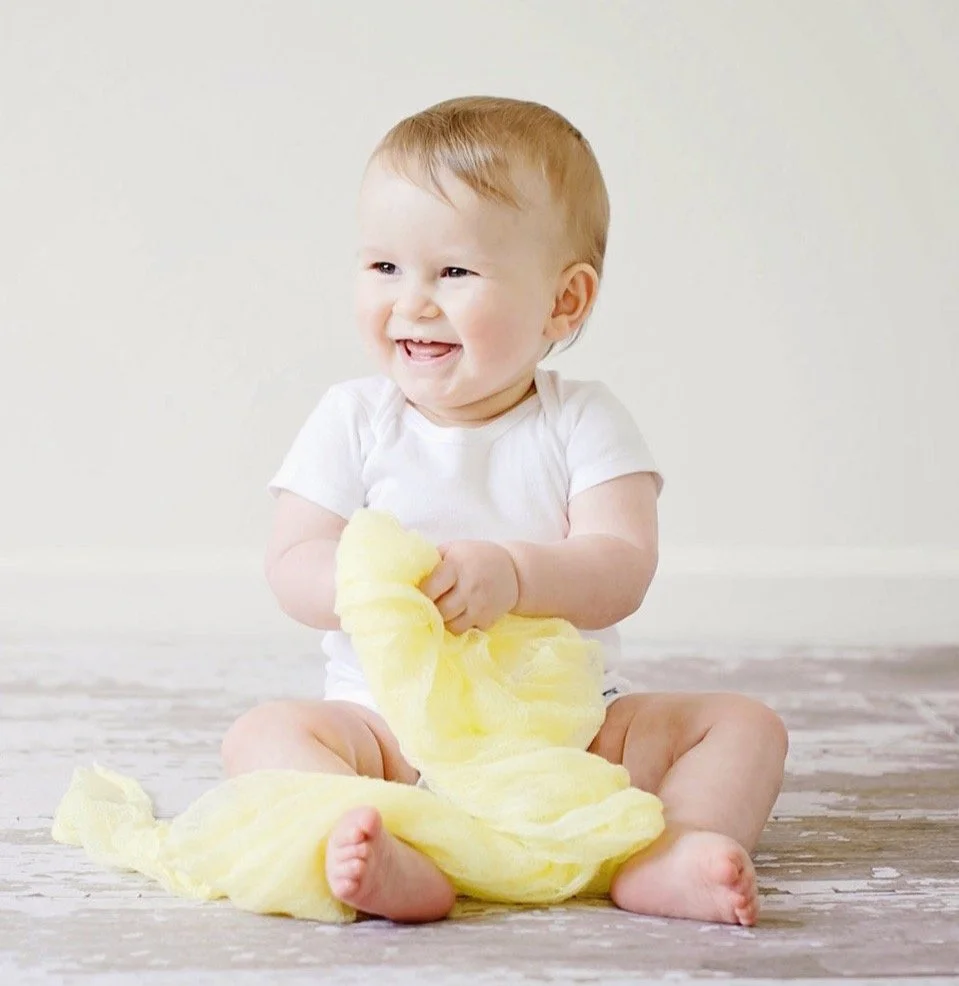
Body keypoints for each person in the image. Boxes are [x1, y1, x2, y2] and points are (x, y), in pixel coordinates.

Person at [222, 96, 789, 926]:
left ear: (564, 302)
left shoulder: (581, 420)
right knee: (262, 735)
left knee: (745, 726)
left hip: (565, 735)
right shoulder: (352, 418)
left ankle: (675, 849)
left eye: (453, 272)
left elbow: (621, 565)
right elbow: (292, 561)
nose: (412, 302)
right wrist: (376, 590)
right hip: (388, 731)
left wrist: (515, 573)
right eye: (384, 267)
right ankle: (389, 845)